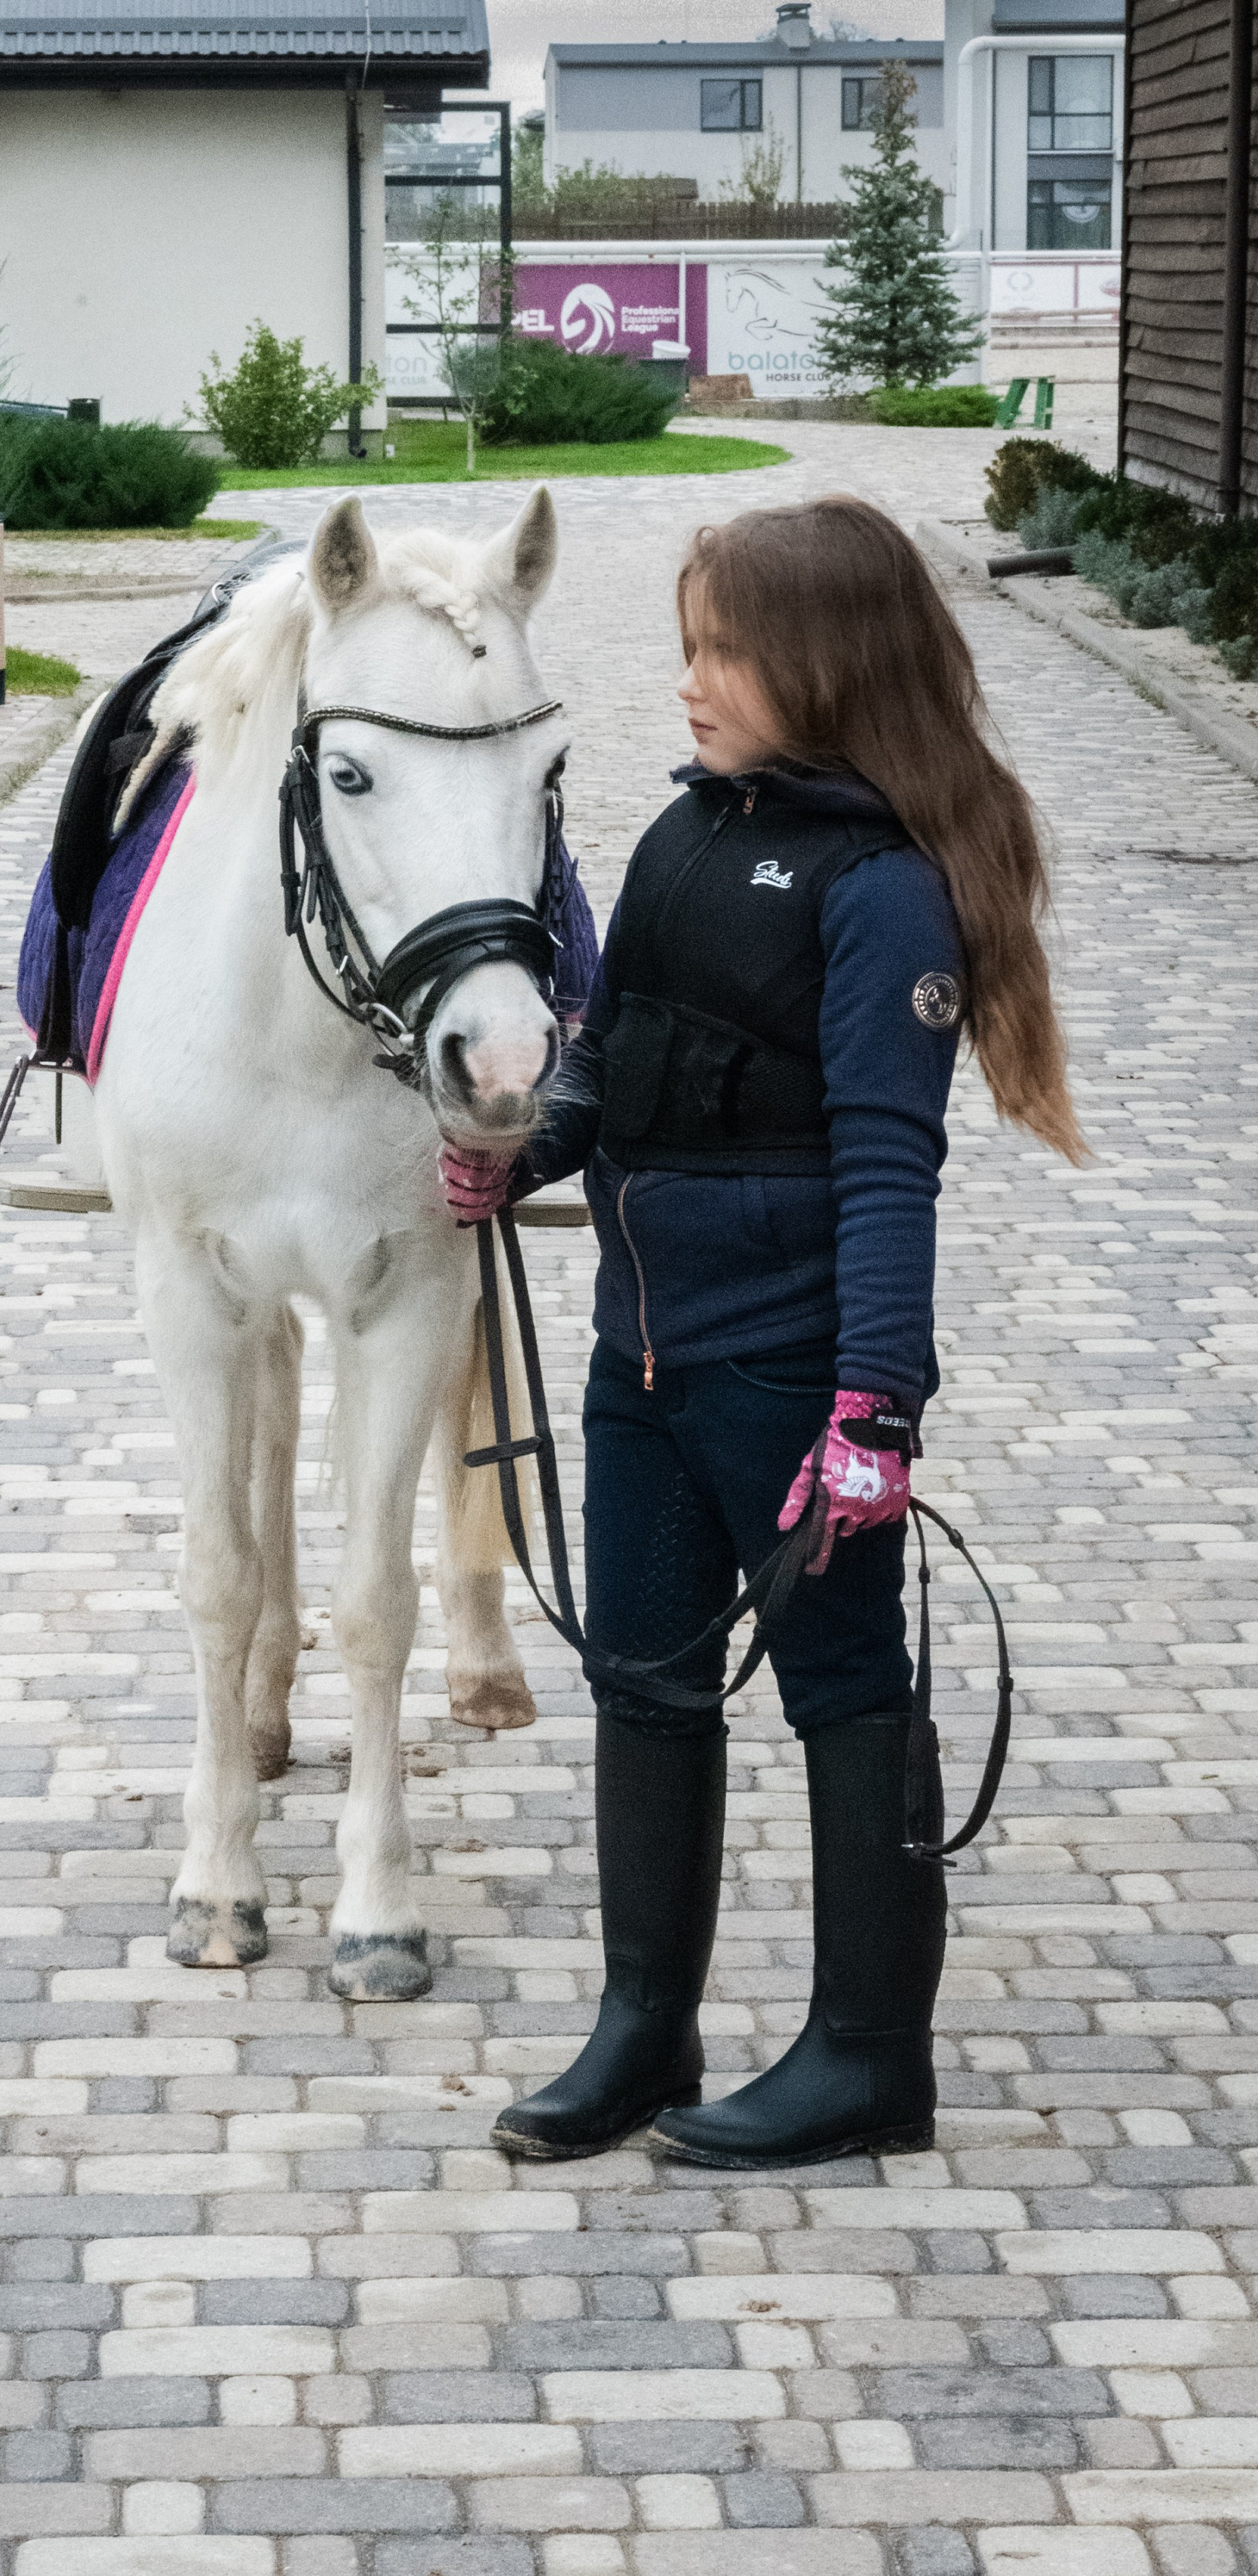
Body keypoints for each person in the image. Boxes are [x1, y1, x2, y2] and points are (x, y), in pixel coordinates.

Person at [441, 496, 1084, 2170]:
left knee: (845, 1686)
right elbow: (610, 1054)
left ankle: (869, 2058)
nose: (688, 682)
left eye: (722, 652)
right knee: (644, 1680)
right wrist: (520, 1153)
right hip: (641, 1361)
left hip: (791, 1375)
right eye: (687, 648)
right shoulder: (683, 835)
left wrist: (875, 1410)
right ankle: (642, 2029)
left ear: (826, 664)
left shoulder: (882, 894)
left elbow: (887, 1166)